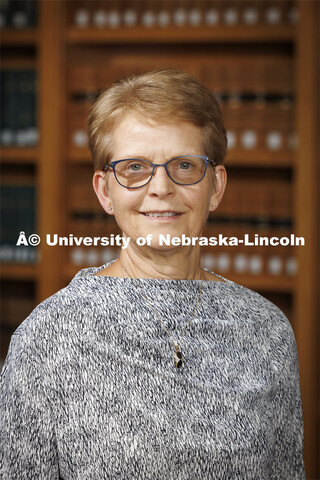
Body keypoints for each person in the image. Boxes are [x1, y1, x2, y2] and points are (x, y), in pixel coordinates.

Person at [0, 69, 305, 479]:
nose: (160, 187)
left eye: (183, 165)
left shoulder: (268, 332)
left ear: (215, 186)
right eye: (134, 168)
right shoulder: (47, 337)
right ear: (105, 191)